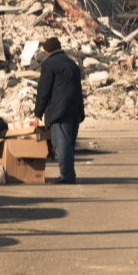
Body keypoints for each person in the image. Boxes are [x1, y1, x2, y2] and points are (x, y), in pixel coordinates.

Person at [34, 37, 85, 184]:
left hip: (60, 111)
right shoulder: (72, 64)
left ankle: (67, 176)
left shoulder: (49, 64)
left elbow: (44, 90)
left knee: (61, 144)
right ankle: (68, 173)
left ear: (47, 52)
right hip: (75, 110)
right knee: (68, 144)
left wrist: (38, 113)